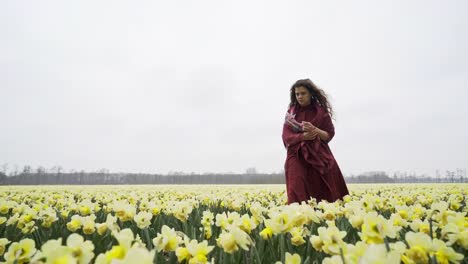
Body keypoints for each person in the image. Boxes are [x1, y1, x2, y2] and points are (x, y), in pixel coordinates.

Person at [282, 79, 349, 204]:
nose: (300, 97)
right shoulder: (291, 115)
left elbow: (328, 135)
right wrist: (303, 137)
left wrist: (315, 130)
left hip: (318, 153)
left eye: (303, 93)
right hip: (296, 154)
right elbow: (286, 137)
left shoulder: (321, 112)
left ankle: (325, 215)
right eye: (297, 94)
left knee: (325, 185)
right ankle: (298, 216)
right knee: (296, 183)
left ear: (310, 94)